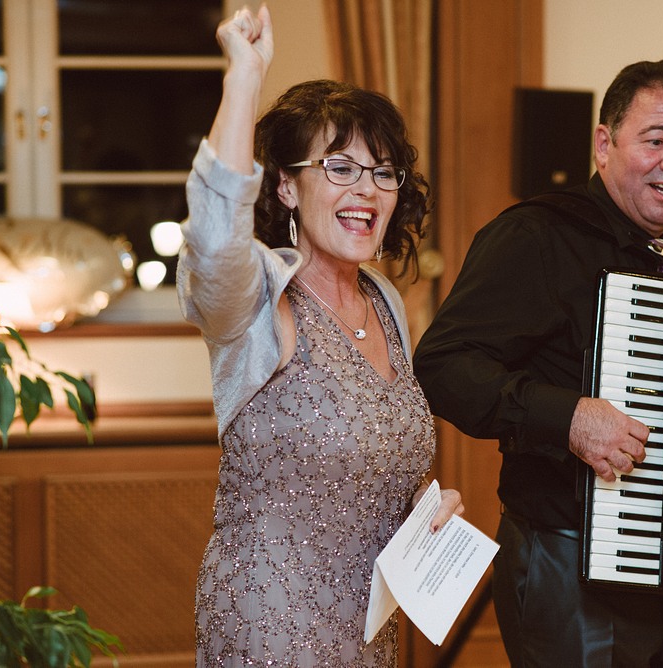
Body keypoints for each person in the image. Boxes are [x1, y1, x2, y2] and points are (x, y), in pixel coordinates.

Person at [413, 60, 663, 666]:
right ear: (603, 143)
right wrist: (567, 417)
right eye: (656, 139)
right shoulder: (537, 236)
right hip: (565, 560)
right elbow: (444, 365)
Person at [176, 6, 463, 666]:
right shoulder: (258, 295)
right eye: (339, 167)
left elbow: (367, 456)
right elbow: (214, 241)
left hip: (368, 633)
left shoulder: (386, 302)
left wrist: (425, 510)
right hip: (268, 632)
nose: (368, 190)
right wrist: (244, 75)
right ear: (286, 185)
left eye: (383, 171)